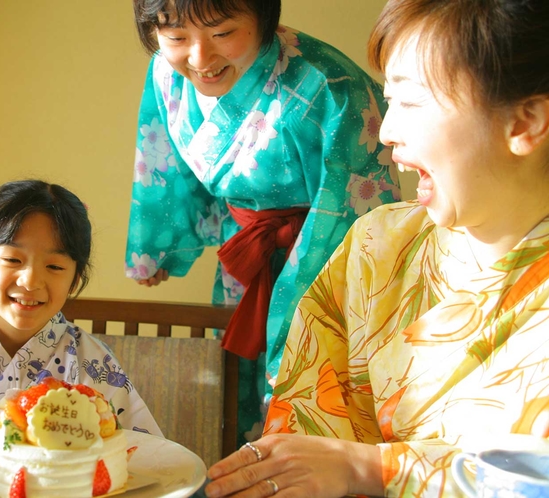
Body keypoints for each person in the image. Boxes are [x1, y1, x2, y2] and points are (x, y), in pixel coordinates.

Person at [203, 0, 549, 496]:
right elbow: (307, 431)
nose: (386, 133)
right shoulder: (376, 246)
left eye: (411, 102)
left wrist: (372, 468)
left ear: (525, 121)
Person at [125, 0, 401, 445]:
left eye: (222, 33)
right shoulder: (165, 73)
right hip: (247, 253)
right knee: (233, 392)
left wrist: (297, 310)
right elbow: (164, 158)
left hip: (319, 257)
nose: (199, 59)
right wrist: (159, 244)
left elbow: (350, 213)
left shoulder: (331, 87)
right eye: (176, 38)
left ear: (263, 18)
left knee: (304, 384)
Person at [0, 180, 163, 435]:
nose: (30, 281)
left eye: (54, 266)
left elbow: (137, 449)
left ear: (74, 280)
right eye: (12, 259)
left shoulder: (92, 364)